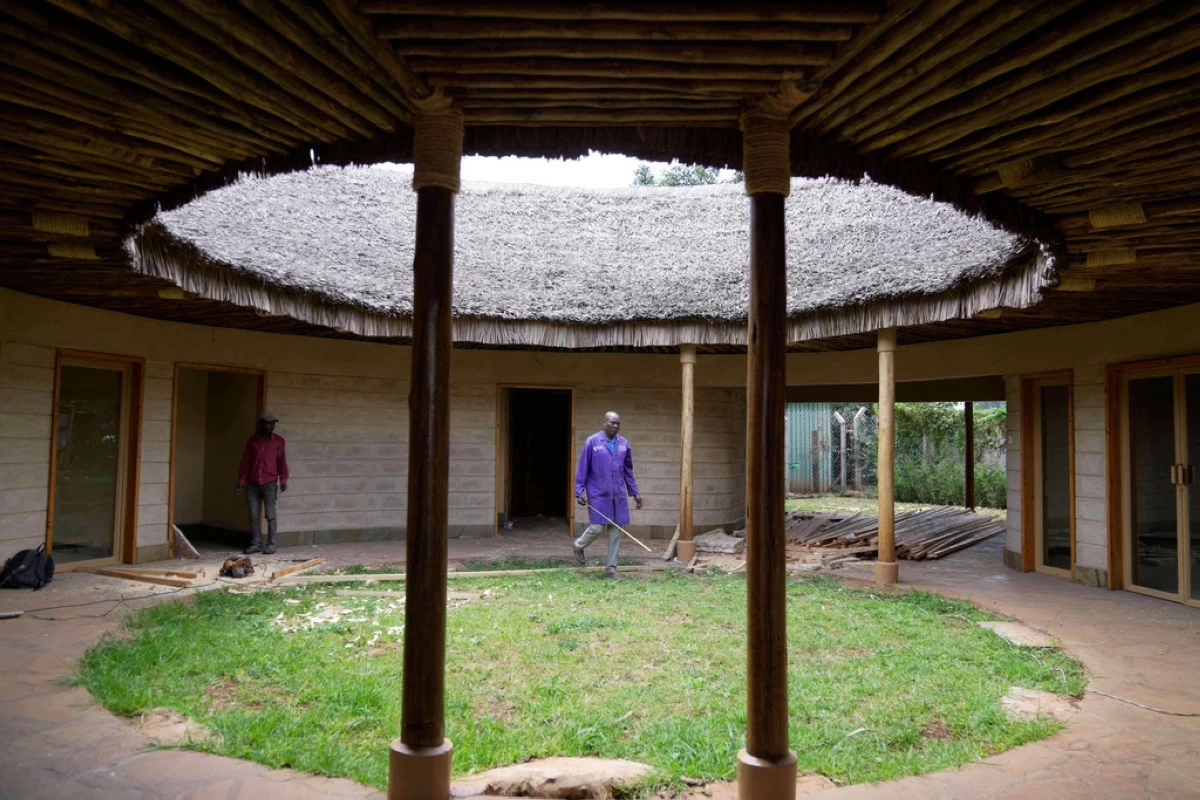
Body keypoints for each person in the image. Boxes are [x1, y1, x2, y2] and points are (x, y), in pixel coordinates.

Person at [573, 411, 642, 578]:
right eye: (612, 423)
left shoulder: (624, 444)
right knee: (597, 527)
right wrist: (579, 491)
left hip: (617, 494)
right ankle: (578, 545)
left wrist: (635, 492)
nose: (615, 426)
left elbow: (628, 472)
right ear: (604, 423)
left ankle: (610, 569)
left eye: (618, 423)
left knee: (615, 531)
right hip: (598, 493)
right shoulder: (592, 442)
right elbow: (583, 468)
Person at [235, 410, 288, 555]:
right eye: (268, 424)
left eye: (273, 423)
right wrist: (241, 481)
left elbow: (281, 462)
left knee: (270, 514)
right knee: (253, 514)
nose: (271, 426)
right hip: (253, 483)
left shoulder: (279, 441)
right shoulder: (252, 441)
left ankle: (271, 544)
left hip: (270, 482)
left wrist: (283, 479)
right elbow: (246, 462)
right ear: (262, 424)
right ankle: (256, 543)